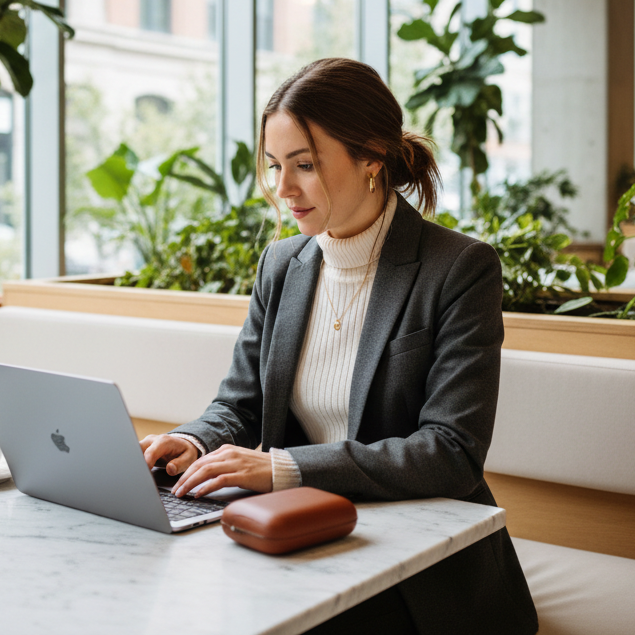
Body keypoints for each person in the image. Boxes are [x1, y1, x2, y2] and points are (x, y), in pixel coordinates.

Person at [139, 58, 538, 635]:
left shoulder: (459, 269)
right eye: (275, 166)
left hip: (425, 569)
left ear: (372, 155)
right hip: (306, 538)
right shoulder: (282, 264)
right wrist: (192, 439)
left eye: (304, 165)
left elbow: (450, 452)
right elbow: (241, 403)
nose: (283, 189)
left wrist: (281, 468)